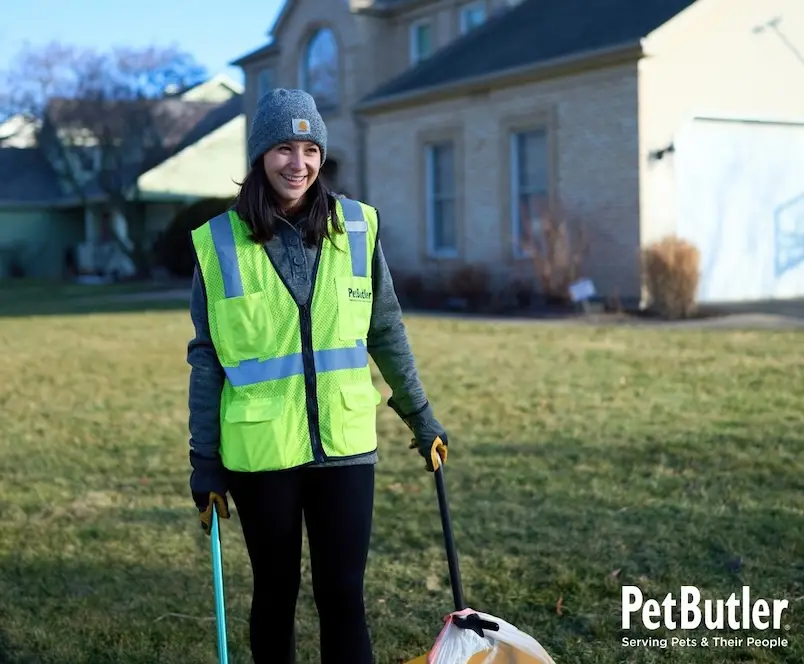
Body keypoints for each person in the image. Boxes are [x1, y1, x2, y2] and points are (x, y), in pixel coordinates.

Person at [185, 88, 449, 664]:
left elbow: (386, 329)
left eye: (310, 149)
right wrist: (204, 458)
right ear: (260, 156)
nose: (298, 163)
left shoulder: (358, 227)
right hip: (261, 453)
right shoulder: (219, 243)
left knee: (342, 597)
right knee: (275, 595)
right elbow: (207, 358)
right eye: (283, 148)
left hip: (346, 447)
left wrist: (420, 415)